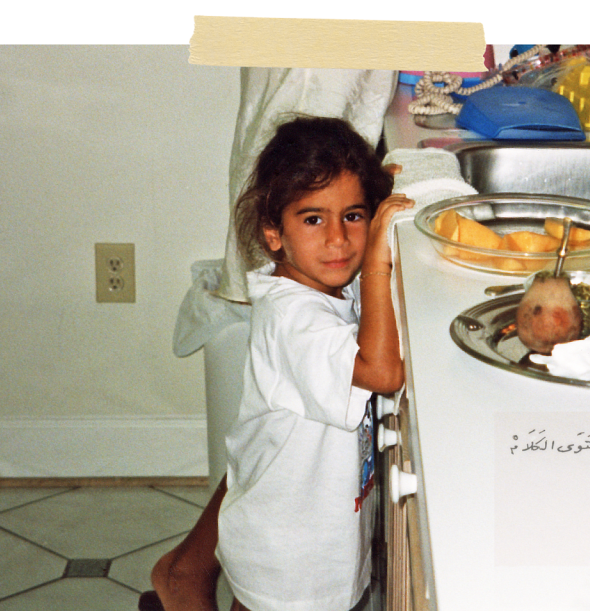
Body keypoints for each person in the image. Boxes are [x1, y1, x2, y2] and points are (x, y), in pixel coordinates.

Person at [148, 115, 410, 611]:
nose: (337, 239)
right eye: (313, 219)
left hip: (311, 540)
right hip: (286, 558)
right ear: (272, 232)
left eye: (352, 216)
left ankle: (184, 577)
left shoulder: (326, 283)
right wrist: (376, 256)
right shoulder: (293, 318)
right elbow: (381, 372)